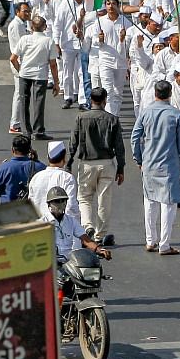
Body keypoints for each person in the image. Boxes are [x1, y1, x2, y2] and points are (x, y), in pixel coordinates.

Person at [131, 80, 180, 255]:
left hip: (149, 163)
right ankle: (164, 244)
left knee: (150, 202)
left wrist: (139, 159)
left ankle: (150, 240)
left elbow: (135, 137)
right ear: (170, 94)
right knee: (168, 204)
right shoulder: (176, 115)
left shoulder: (145, 112)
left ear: (155, 93)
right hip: (169, 165)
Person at [67, 87, 125, 245]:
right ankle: (99, 236)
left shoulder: (81, 118)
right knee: (104, 199)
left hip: (86, 163)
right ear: (105, 100)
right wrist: (121, 168)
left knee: (84, 197)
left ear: (90, 99)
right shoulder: (113, 119)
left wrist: (69, 162)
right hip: (107, 163)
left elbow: (73, 142)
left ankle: (87, 226)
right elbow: (119, 147)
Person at [10, 15, 61, 140]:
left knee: (24, 102)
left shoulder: (24, 39)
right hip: (40, 75)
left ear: (32, 27)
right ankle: (38, 131)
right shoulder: (48, 41)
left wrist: (20, 70)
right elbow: (53, 64)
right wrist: (56, 82)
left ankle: (26, 132)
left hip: (25, 74)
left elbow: (13, 58)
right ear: (45, 27)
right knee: (39, 103)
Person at [0, 134, 45, 202]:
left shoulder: (4, 168)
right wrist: (36, 161)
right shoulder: (41, 167)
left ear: (12, 149)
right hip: (32, 209)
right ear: (30, 150)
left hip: (10, 209)